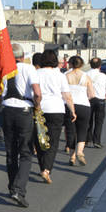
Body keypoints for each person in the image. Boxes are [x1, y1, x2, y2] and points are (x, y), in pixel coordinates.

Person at [2, 44, 41, 207]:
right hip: (24, 110)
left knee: (11, 152)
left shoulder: (5, 69)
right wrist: (38, 106)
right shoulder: (29, 68)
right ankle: (19, 190)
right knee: (25, 152)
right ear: (23, 55)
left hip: (7, 110)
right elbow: (37, 92)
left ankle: (12, 187)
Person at [35, 49, 75, 184]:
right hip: (56, 109)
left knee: (40, 140)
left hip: (40, 109)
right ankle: (47, 169)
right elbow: (67, 96)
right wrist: (73, 111)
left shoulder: (36, 74)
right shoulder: (60, 75)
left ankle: (42, 166)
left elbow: (32, 92)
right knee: (53, 141)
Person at [65, 56, 95, 166]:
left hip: (70, 106)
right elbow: (91, 94)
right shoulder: (86, 77)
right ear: (81, 64)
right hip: (84, 105)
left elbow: (62, 92)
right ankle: (80, 152)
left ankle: (72, 157)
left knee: (70, 131)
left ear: (71, 64)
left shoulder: (66, 76)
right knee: (83, 129)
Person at [86, 57, 106, 148]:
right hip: (100, 100)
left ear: (90, 64)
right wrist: (105, 98)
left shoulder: (85, 75)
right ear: (100, 66)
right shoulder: (103, 76)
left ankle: (87, 139)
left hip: (88, 100)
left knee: (88, 121)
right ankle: (96, 141)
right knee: (99, 121)